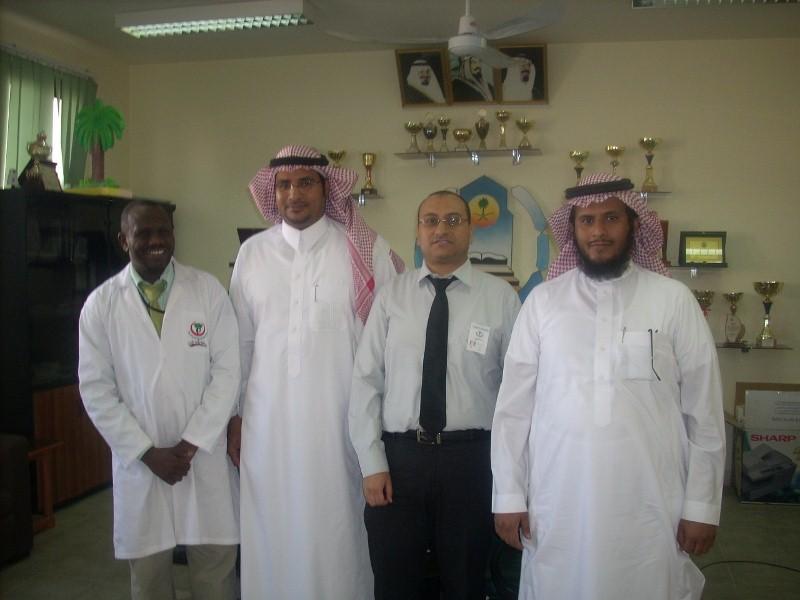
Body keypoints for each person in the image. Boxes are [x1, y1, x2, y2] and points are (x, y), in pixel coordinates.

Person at [491, 173, 725, 600]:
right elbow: (513, 411)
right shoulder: (543, 302)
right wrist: (508, 495)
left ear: (633, 224)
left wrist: (702, 505)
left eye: (611, 218)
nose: (598, 231)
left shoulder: (673, 299)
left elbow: (703, 411)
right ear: (572, 229)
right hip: (559, 498)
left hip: (652, 501)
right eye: (587, 220)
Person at [228, 144, 404, 599]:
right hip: (267, 429)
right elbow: (240, 346)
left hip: (339, 425)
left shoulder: (362, 250)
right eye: (284, 184)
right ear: (272, 192)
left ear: (328, 189)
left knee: (338, 533)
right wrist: (235, 416)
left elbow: (389, 346)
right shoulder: (252, 255)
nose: (294, 194)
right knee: (271, 529)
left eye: (306, 182)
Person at [350, 191, 521, 599]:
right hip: (399, 463)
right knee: (395, 583)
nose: (441, 228)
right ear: (418, 231)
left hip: (472, 463)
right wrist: (372, 463)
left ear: (470, 230)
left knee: (466, 583)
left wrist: (511, 480)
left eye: (453, 220)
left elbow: (518, 394)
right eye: (430, 220)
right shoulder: (391, 297)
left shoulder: (501, 299)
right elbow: (366, 381)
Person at [79, 200, 240, 600]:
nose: (156, 240)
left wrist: (190, 445)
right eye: (143, 233)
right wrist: (147, 453)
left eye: (163, 231)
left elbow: (228, 373)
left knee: (215, 577)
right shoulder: (101, 305)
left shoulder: (207, 291)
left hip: (202, 460)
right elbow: (96, 389)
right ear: (123, 240)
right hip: (142, 465)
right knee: (150, 581)